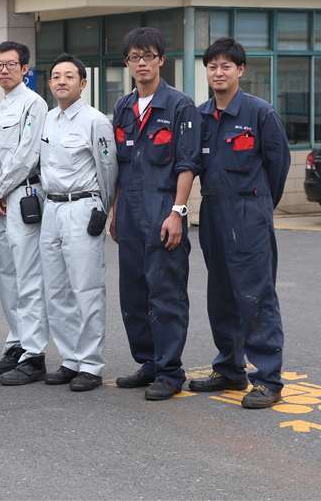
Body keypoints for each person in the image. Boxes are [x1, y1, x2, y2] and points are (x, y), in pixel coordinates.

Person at [189, 38, 290, 409]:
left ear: (241, 70)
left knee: (255, 295)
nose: (219, 73)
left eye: (226, 66)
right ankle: (230, 368)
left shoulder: (259, 113)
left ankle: (268, 379)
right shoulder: (200, 117)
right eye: (212, 66)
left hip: (248, 213)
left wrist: (258, 205)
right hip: (213, 212)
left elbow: (278, 165)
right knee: (221, 294)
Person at [109, 27, 200, 401]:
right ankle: (147, 362)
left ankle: (169, 370)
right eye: (135, 57)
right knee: (133, 293)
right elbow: (120, 165)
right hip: (130, 213)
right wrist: (116, 211)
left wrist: (178, 212)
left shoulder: (179, 106)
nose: (141, 63)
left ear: (161, 60)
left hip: (163, 210)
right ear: (127, 63)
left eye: (148, 56)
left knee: (166, 293)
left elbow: (187, 165)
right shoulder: (123, 107)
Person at [38, 55, 118, 393]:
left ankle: (90, 364)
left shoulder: (95, 121)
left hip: (83, 206)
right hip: (51, 208)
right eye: (56, 76)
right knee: (56, 289)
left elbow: (108, 168)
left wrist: (105, 208)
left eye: (69, 76)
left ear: (83, 83)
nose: (61, 81)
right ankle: (69, 359)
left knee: (86, 288)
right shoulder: (47, 119)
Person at [0, 41, 49, 385]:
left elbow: (26, 155)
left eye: (11, 64)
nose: (4, 70)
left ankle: (34, 354)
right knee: (7, 276)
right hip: (0, 200)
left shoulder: (34, 104)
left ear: (25, 69)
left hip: (22, 196)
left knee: (28, 277)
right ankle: (17, 343)